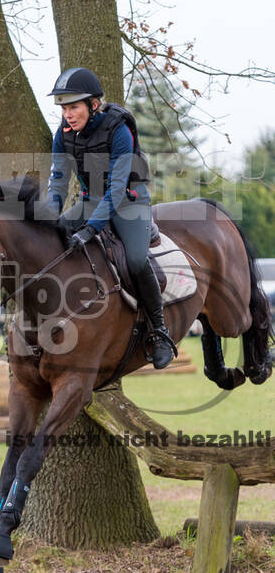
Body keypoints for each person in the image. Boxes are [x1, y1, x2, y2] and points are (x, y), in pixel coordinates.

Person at [46, 66, 175, 369]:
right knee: (51, 240)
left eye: (73, 106)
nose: (68, 114)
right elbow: (58, 182)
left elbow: (117, 190)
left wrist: (90, 230)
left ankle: (159, 331)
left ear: (93, 104)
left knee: (136, 260)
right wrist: (50, 218)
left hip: (129, 203)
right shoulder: (62, 135)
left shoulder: (120, 130)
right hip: (91, 201)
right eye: (64, 108)